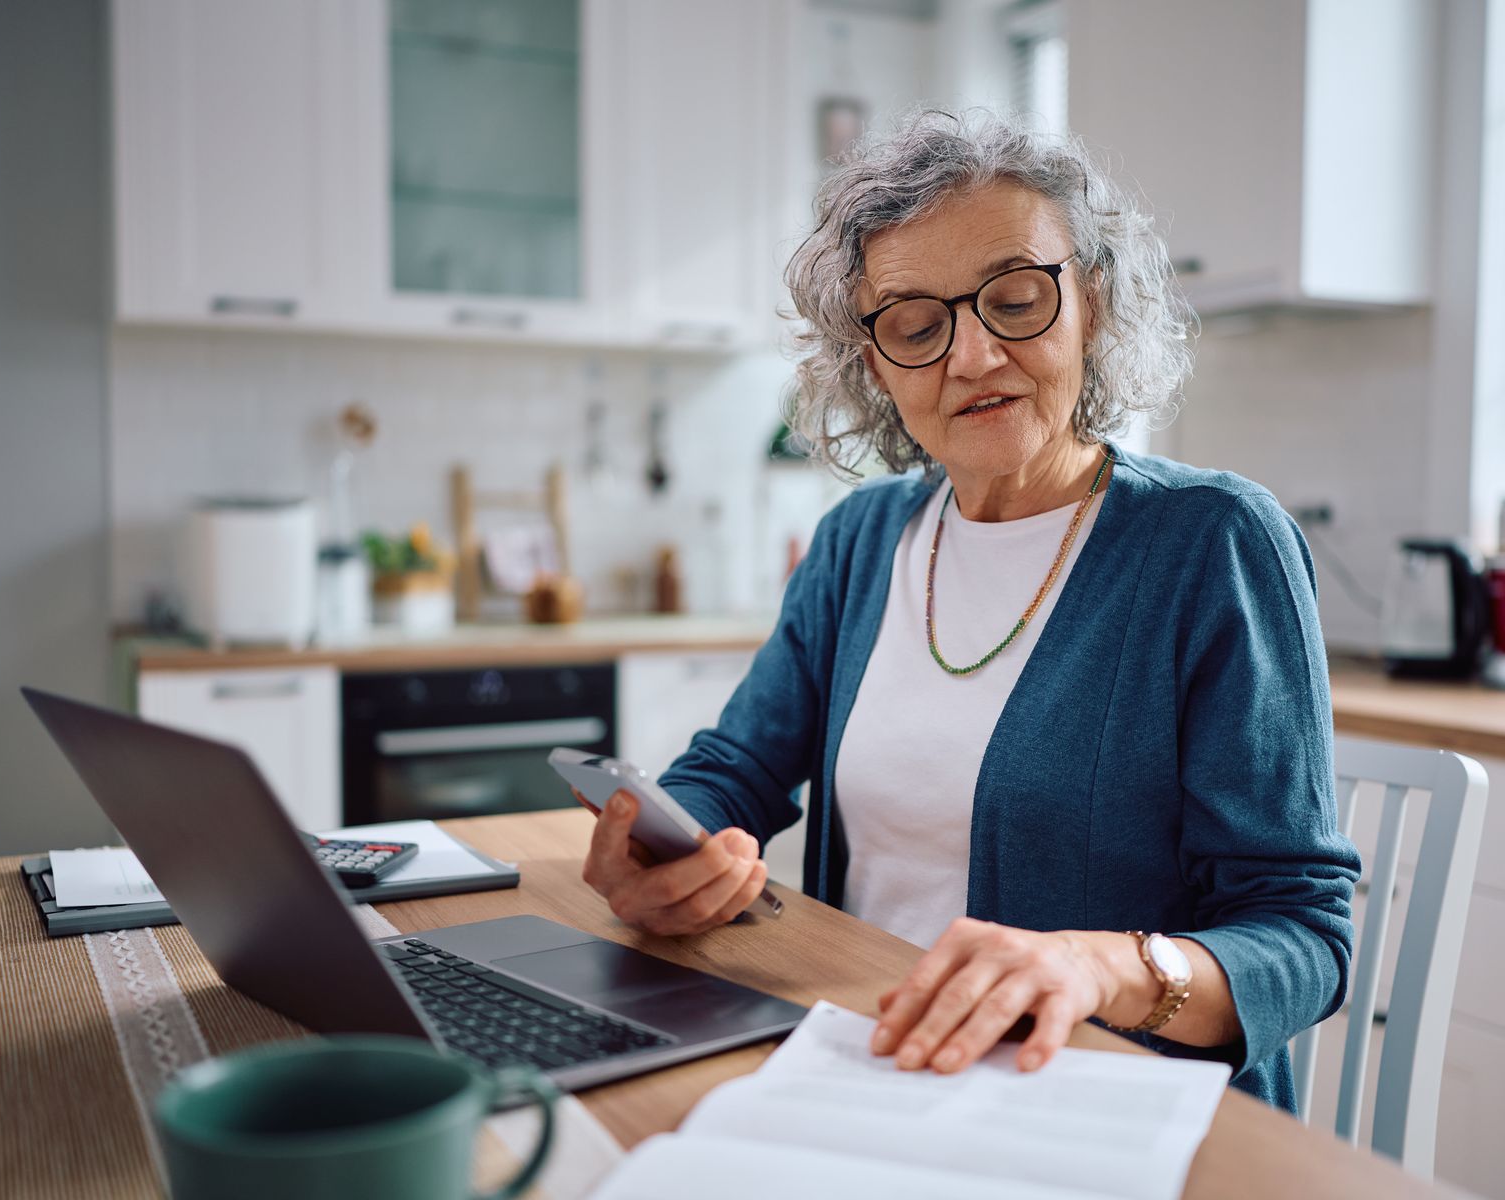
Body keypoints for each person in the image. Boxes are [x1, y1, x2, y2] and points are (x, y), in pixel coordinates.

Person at [578, 109, 1360, 1112]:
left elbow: (1299, 936)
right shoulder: (862, 541)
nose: (974, 356)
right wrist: (661, 850)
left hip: (1097, 1106)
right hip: (865, 1065)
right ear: (873, 365)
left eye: (1017, 299)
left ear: (1094, 306)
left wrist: (1098, 972)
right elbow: (734, 771)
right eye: (915, 324)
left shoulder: (1212, 544)